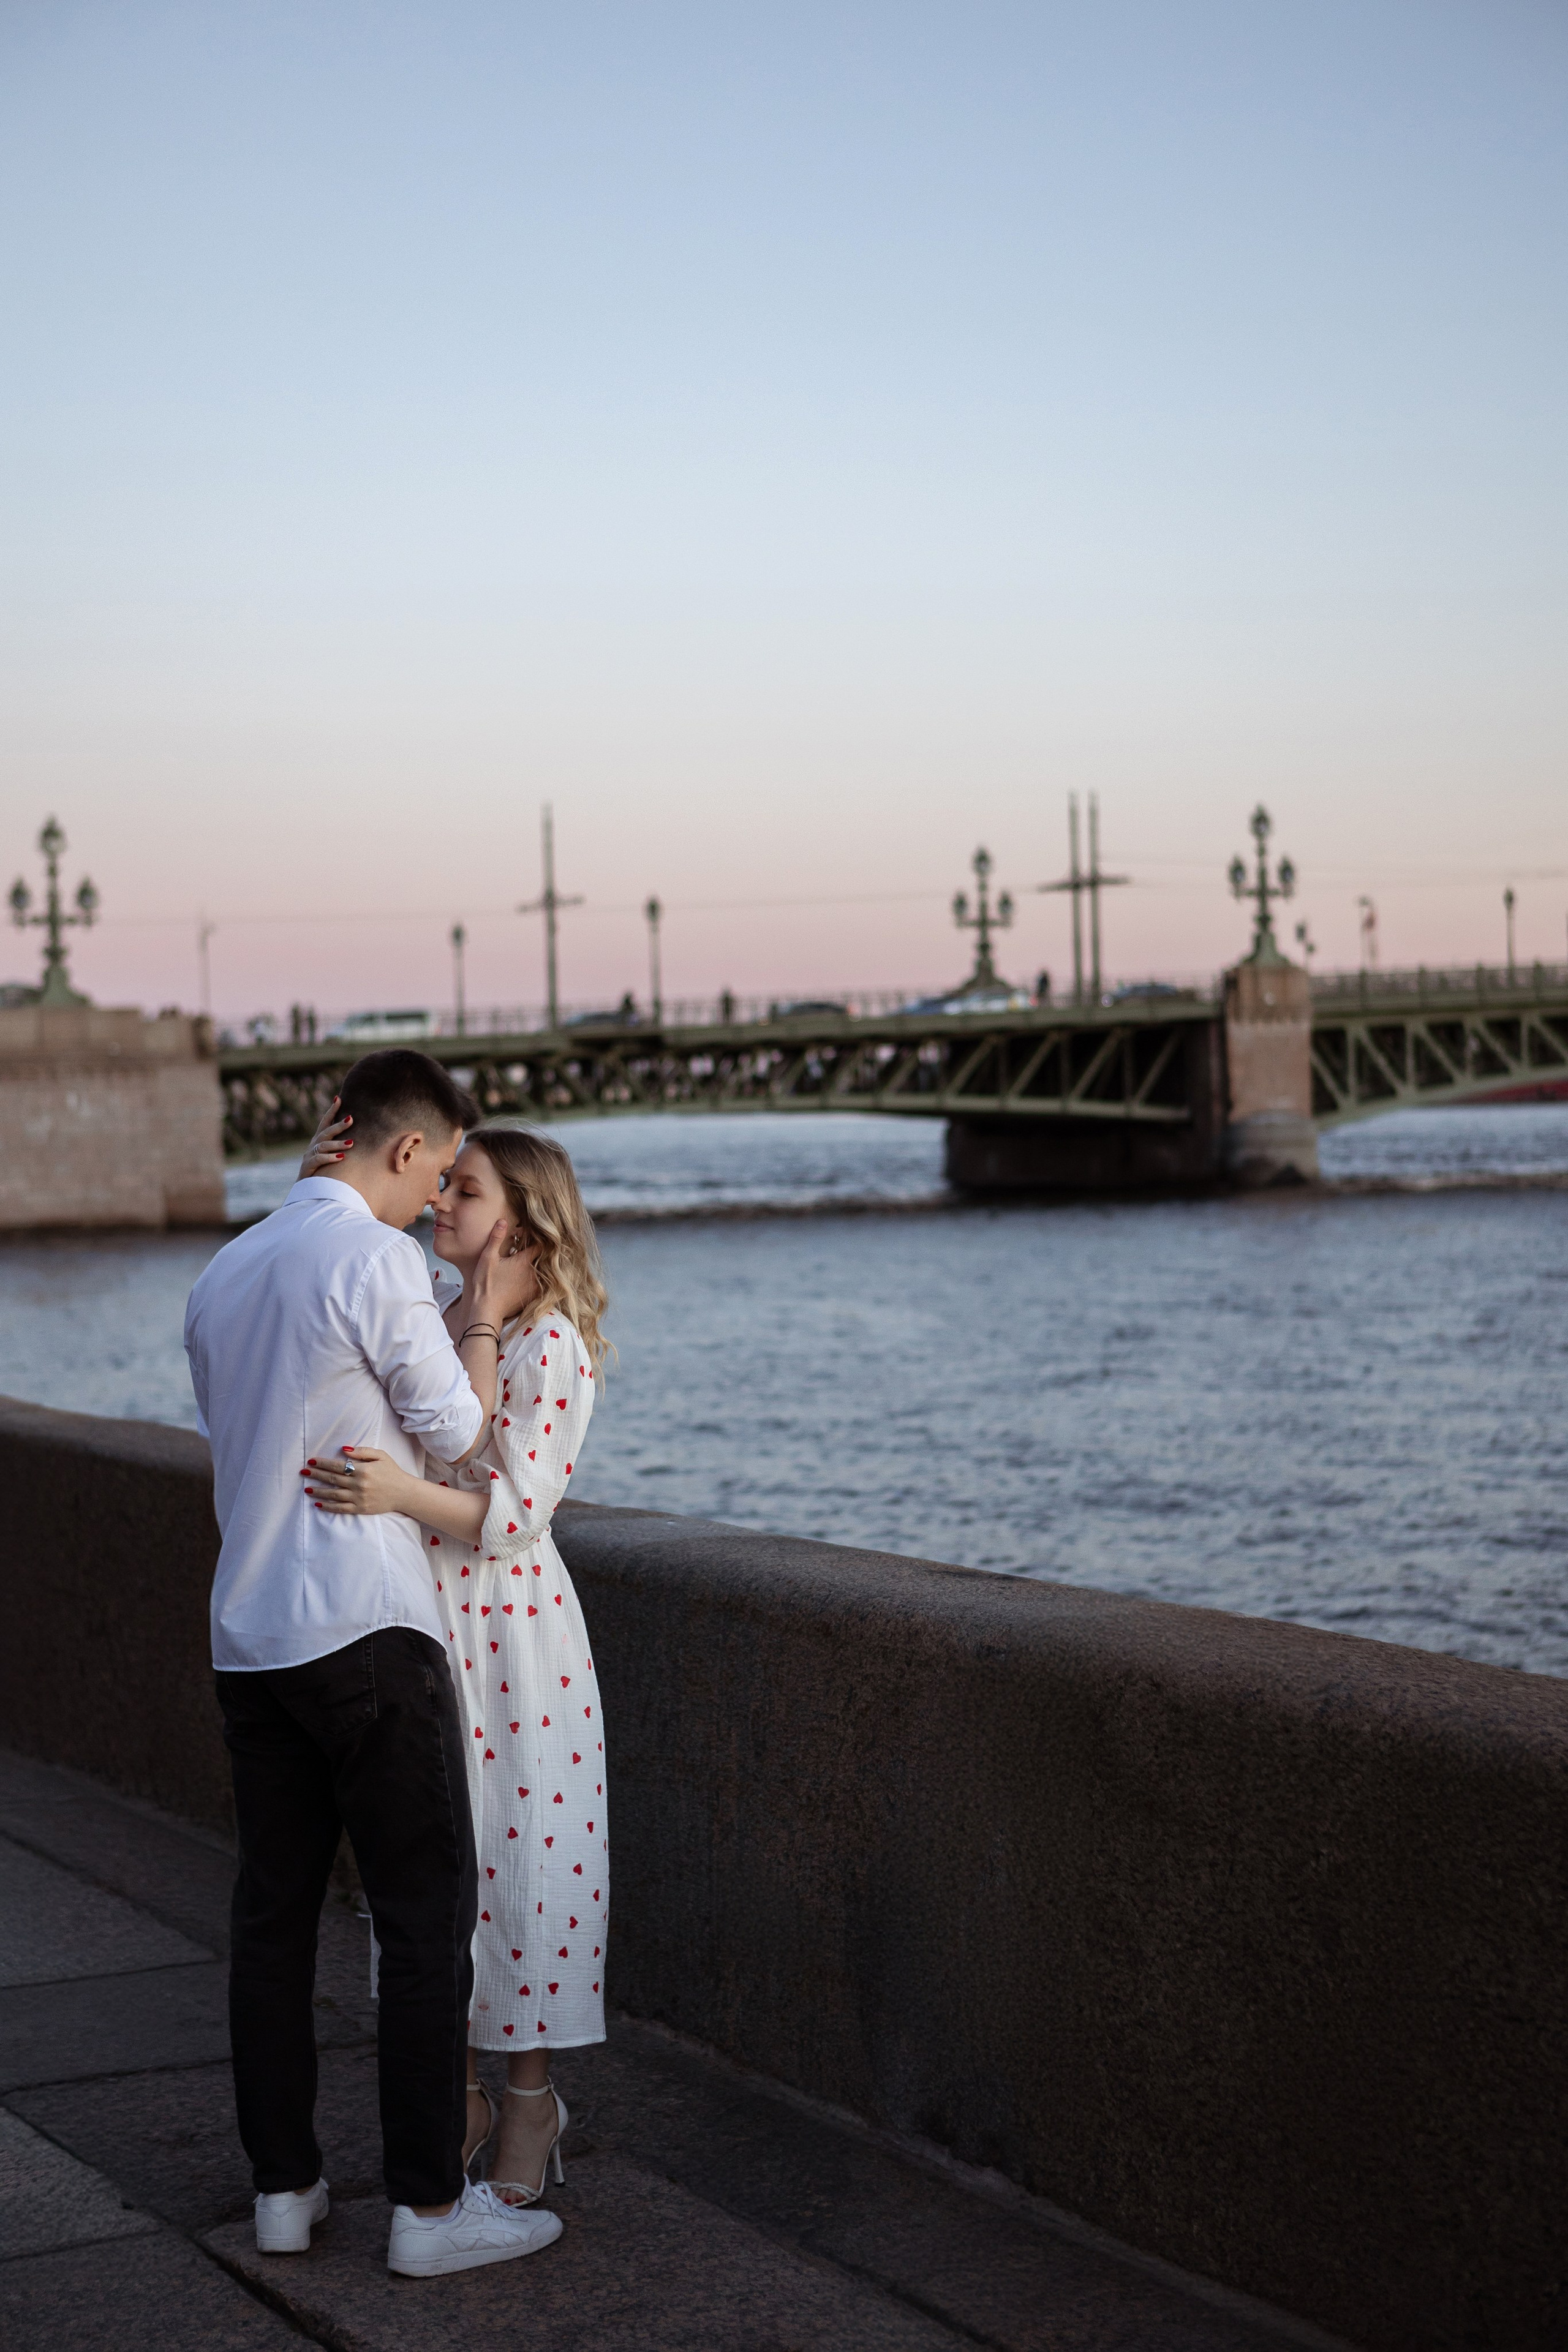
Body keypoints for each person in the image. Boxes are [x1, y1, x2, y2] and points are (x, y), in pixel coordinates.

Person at [184, 1049, 564, 2278]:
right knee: (421, 1920)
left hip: (248, 1639)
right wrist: (485, 1328)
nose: (435, 1201)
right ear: (404, 1153)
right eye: (440, 1174)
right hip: (363, 1629)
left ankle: (284, 2192)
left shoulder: (224, 1270)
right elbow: (462, 1448)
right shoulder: (376, 1260)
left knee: (272, 1922)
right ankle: (429, 2211)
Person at [301, 1123, 610, 2206]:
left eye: (464, 1190)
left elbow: (517, 1509)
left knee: (521, 1873)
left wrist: (395, 1495)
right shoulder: (449, 1321)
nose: (440, 1199)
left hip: (516, 1642)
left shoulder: (555, 1347)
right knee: (440, 1876)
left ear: (519, 1225)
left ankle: (528, 2099)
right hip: (435, 1625)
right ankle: (461, 2089)